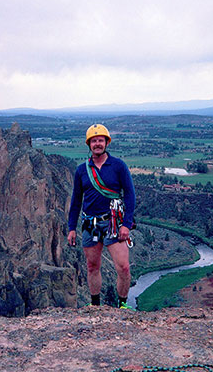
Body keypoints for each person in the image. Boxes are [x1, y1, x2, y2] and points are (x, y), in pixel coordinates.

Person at [67, 124, 136, 309]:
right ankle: (96, 305)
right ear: (89, 144)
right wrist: (71, 227)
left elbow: (130, 195)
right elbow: (76, 201)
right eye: (94, 141)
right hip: (90, 224)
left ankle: (122, 304)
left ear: (106, 142)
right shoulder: (82, 170)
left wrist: (126, 224)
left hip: (114, 222)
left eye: (101, 140)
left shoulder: (118, 166)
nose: (97, 144)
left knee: (123, 267)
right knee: (92, 266)